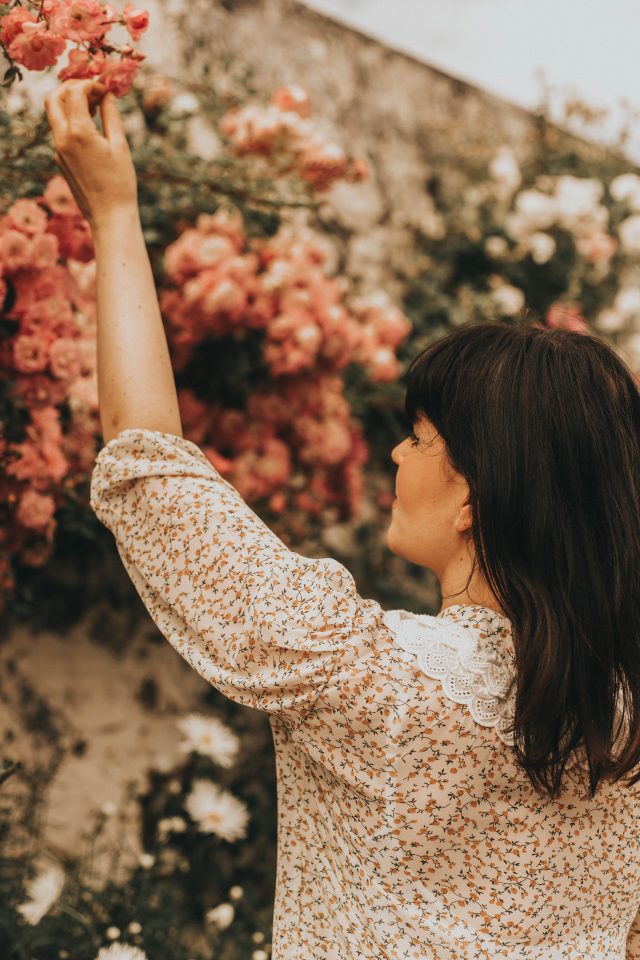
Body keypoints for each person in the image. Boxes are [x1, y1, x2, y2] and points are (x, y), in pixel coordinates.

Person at [45, 79, 640, 960]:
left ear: (476, 495)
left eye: (418, 437)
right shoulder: (621, 723)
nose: (396, 457)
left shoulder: (367, 682)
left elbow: (150, 468)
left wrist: (115, 212)